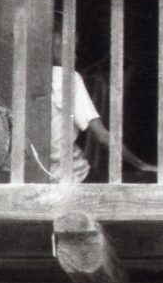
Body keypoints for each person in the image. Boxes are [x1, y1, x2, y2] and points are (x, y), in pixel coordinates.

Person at [49, 24, 155, 183]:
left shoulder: (17, 78)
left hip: (37, 177)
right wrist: (140, 164)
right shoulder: (67, 78)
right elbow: (102, 136)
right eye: (72, 48)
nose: (75, 56)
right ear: (58, 45)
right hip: (71, 176)